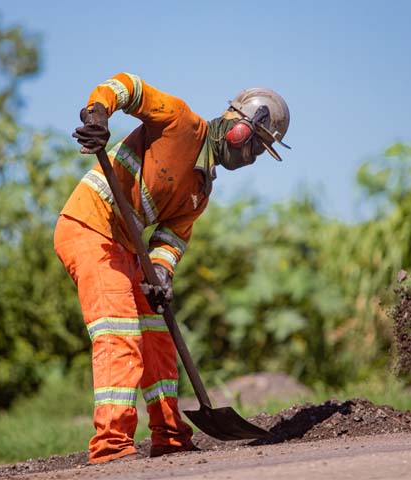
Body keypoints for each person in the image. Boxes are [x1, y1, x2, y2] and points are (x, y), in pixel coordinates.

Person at [53, 72, 290, 464]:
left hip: (127, 248)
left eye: (260, 155)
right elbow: (127, 86)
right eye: (255, 147)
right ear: (238, 127)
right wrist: (98, 116)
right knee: (119, 331)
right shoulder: (179, 121)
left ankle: (169, 434)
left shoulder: (200, 193)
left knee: (157, 337)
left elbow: (170, 240)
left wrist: (161, 273)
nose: (251, 159)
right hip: (88, 228)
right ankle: (111, 444)